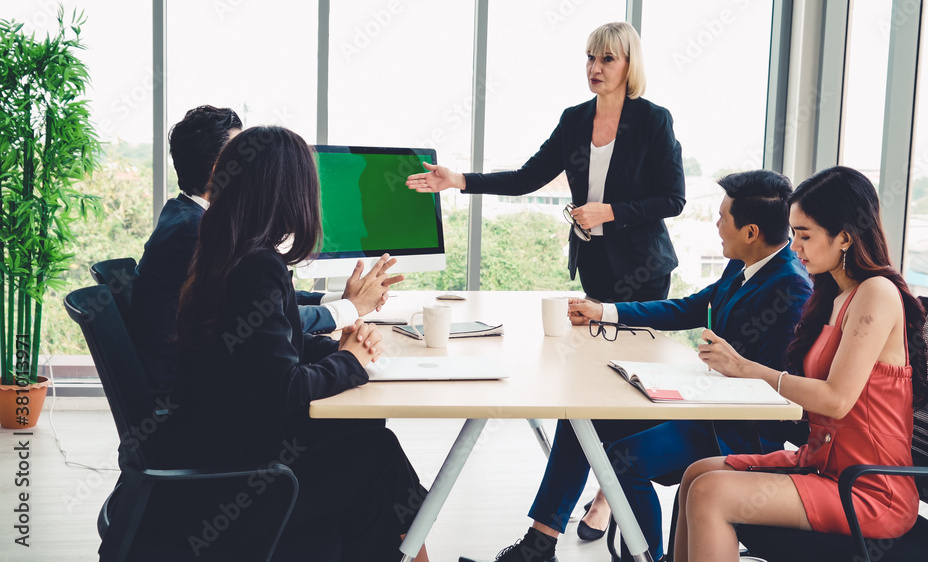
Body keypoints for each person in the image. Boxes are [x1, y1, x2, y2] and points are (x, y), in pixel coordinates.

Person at [462, 170, 812, 562]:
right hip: (703, 404)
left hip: (731, 430)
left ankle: (646, 559)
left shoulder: (791, 286)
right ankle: (539, 546)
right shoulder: (745, 264)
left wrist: (721, 368)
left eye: (721, 217)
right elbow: (689, 307)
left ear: (750, 232)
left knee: (622, 461)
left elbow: (770, 385)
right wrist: (605, 311)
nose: (716, 225)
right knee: (582, 417)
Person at [158, 126, 429, 561]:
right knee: (378, 456)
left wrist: (339, 349)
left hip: (217, 453)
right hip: (237, 484)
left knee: (368, 436)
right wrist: (352, 362)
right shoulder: (257, 268)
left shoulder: (228, 251)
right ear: (288, 193)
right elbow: (284, 389)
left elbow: (265, 352)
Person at [673, 166, 928, 562]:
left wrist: (747, 368)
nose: (794, 247)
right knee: (696, 474)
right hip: (823, 462)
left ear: (844, 236)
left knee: (710, 494)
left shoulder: (876, 292)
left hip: (869, 488)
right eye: (794, 234)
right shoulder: (832, 294)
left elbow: (836, 400)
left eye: (804, 235)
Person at [406, 22, 685, 303]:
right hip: (594, 263)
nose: (594, 68)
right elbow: (525, 179)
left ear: (629, 65)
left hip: (643, 270)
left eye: (607, 59)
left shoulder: (653, 120)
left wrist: (609, 212)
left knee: (636, 346)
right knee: (594, 346)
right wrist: (458, 180)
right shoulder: (574, 120)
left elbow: (673, 199)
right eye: (590, 57)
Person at [132, 105, 401, 394]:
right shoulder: (194, 233)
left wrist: (340, 306)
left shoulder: (193, 220)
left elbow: (264, 309)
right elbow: (263, 320)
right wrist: (349, 325)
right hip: (199, 397)